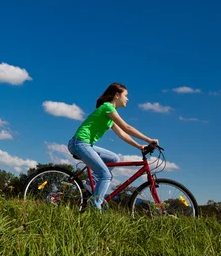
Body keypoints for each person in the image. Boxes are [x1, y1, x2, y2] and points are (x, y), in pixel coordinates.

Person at [68, 83, 159, 211]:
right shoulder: (107, 107)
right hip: (79, 143)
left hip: (86, 144)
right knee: (105, 175)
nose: (127, 99)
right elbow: (126, 128)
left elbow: (122, 134)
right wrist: (149, 140)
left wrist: (139, 146)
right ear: (117, 95)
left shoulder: (109, 116)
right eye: (125, 95)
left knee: (114, 158)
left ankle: (90, 183)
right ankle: (95, 207)